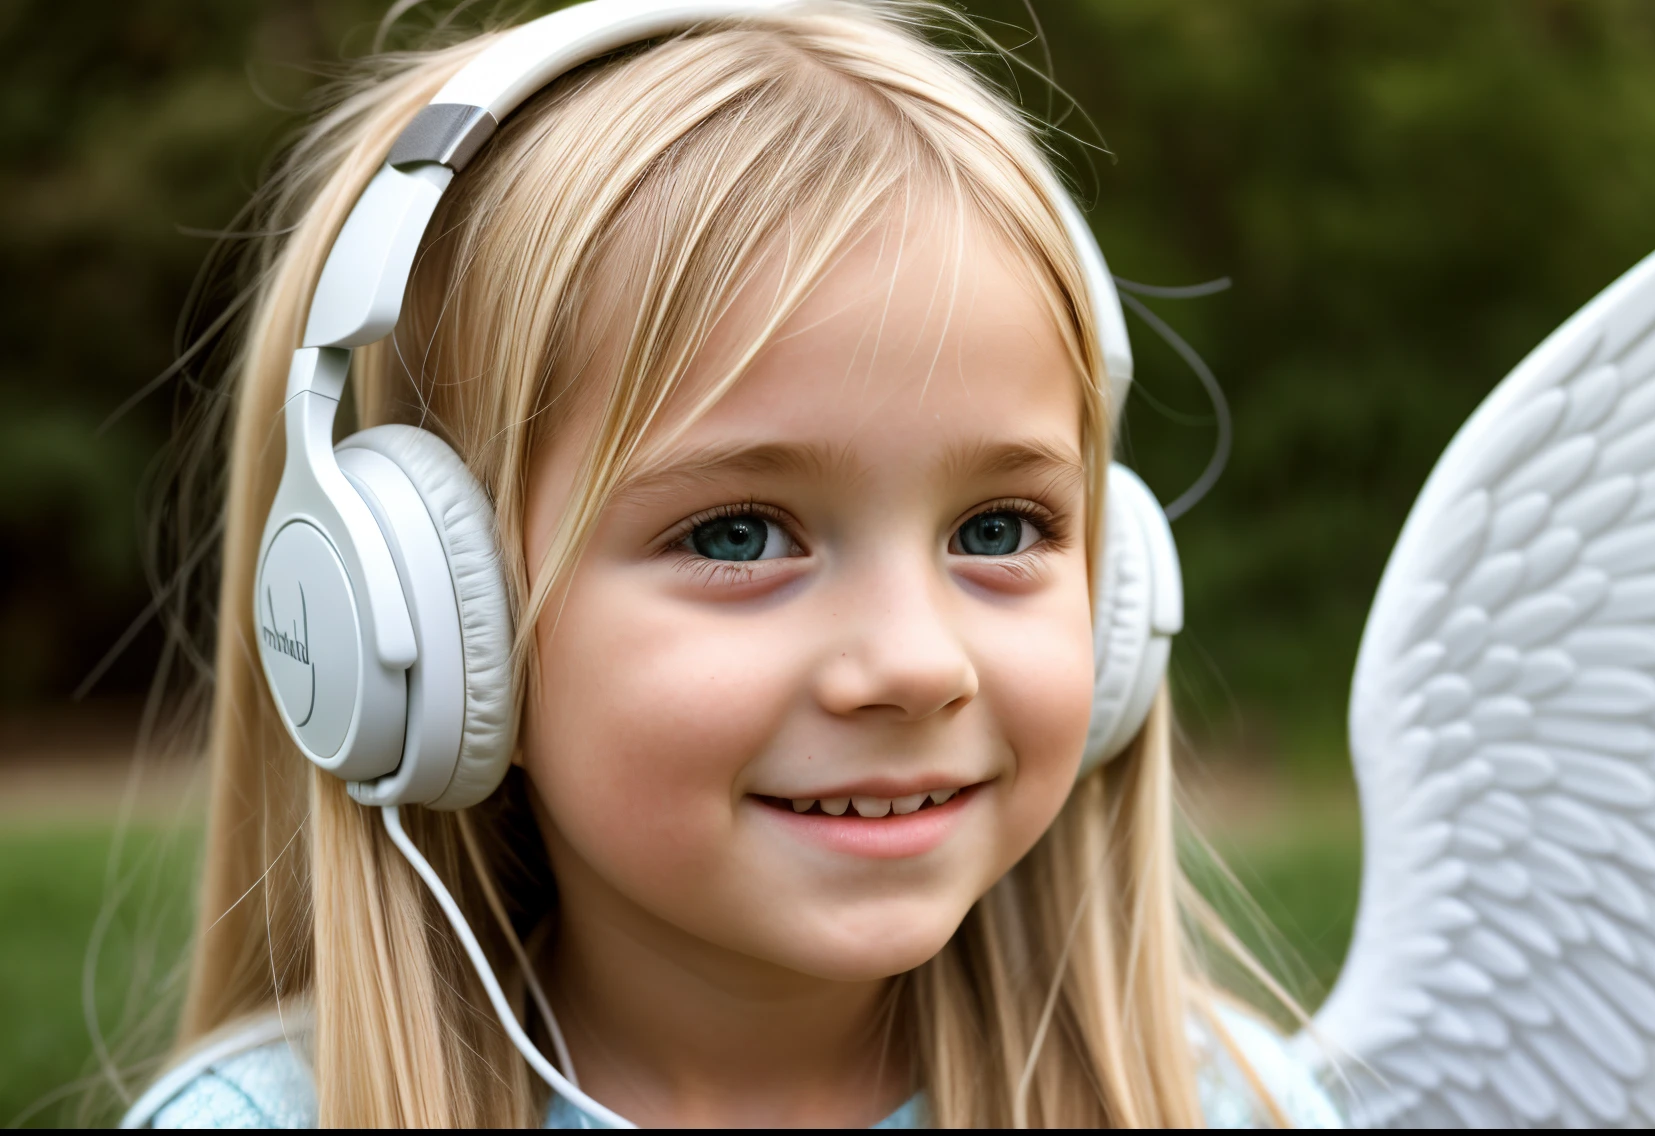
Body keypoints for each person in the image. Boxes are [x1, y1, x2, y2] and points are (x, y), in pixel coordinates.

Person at [124, 0, 1341, 1127]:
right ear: (428, 628)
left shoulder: (1220, 1103)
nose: (916, 665)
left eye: (997, 529)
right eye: (737, 534)